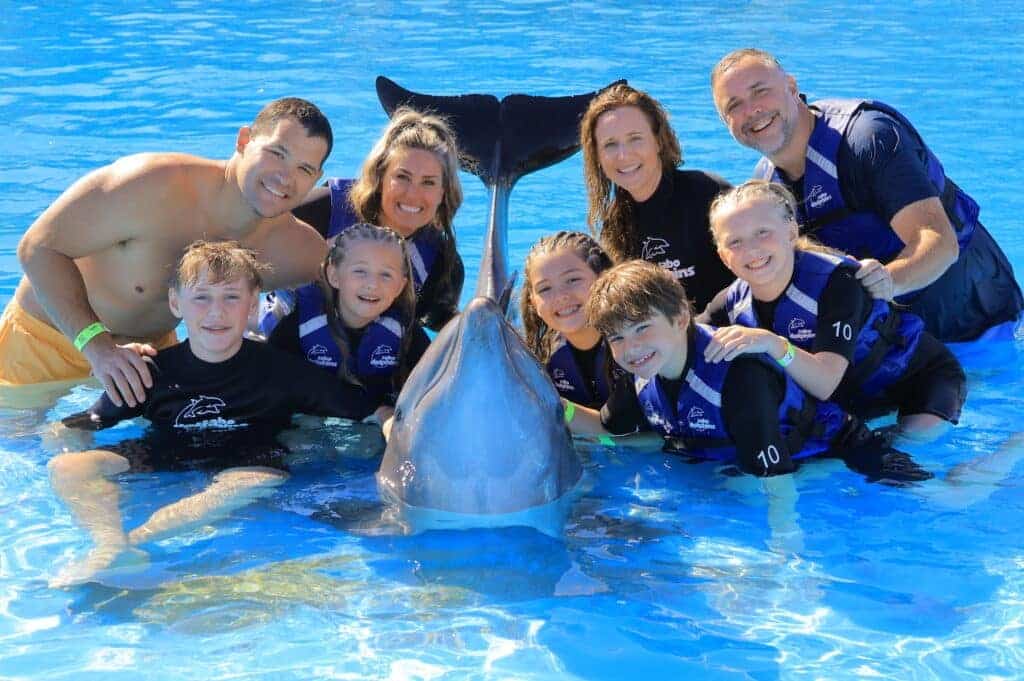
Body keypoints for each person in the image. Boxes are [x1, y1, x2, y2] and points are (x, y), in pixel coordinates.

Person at [47, 241, 381, 588]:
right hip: (166, 455)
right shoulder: (151, 372)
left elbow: (368, 409)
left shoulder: (282, 371)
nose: (216, 312)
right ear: (176, 303)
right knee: (67, 467)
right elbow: (76, 425)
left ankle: (135, 542)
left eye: (232, 298)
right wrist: (65, 442)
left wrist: (392, 423)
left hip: (249, 463)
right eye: (202, 297)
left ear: (252, 305)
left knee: (256, 480)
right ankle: (110, 543)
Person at [4, 97, 333, 407]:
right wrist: (98, 348)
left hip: (145, 365)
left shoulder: (296, 250)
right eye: (277, 152)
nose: (285, 177)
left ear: (316, 178)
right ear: (244, 140)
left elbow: (363, 287)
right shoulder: (152, 184)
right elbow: (37, 248)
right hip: (43, 346)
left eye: (304, 169)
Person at [710, 48, 1023, 342]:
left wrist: (888, 281)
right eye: (734, 105)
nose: (752, 110)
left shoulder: (867, 139)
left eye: (760, 91)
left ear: (792, 87)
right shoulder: (766, 187)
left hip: (975, 320)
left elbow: (939, 240)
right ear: (727, 123)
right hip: (895, 336)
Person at [563, 259, 931, 483]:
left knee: (937, 495)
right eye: (617, 338)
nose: (631, 347)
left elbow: (775, 479)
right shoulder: (642, 372)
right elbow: (607, 428)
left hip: (834, 458)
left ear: (679, 318)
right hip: (737, 467)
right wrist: (548, 402)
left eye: (643, 328)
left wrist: (780, 560)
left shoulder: (737, 376)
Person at [701, 180, 966, 441]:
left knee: (915, 438)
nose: (751, 249)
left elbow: (825, 383)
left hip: (918, 380)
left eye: (762, 232)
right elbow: (680, 345)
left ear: (791, 232)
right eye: (735, 242)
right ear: (723, 256)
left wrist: (772, 343)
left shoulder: (838, 283)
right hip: (854, 401)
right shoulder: (731, 305)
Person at [264, 107, 464, 333]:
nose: (412, 194)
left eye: (428, 182)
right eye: (402, 177)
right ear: (379, 177)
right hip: (280, 352)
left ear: (443, 193)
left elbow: (436, 324)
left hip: (370, 364)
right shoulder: (323, 211)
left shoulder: (440, 260)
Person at [579, 83, 734, 312]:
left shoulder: (709, 195)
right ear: (598, 157)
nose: (623, 155)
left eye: (635, 138)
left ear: (659, 141)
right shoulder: (616, 223)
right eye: (610, 144)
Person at [267, 223, 430, 415]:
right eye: (360, 271)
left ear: (400, 286)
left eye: (386, 275)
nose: (372, 284)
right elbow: (272, 389)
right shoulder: (298, 329)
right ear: (334, 275)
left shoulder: (406, 332)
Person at [519, 231, 622, 408]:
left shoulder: (636, 342)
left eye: (573, 279)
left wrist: (559, 408)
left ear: (604, 278)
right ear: (533, 303)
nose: (561, 296)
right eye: (545, 289)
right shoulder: (537, 357)